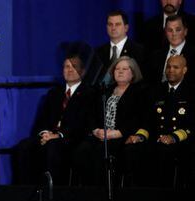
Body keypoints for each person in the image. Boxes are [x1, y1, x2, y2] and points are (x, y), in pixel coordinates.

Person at [13, 54, 94, 185]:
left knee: (54, 146)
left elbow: (83, 123)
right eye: (67, 66)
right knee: (23, 146)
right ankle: (26, 192)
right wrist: (44, 133)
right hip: (49, 137)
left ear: (83, 71)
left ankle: (54, 193)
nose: (70, 70)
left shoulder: (89, 94)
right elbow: (42, 119)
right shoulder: (54, 93)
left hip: (71, 138)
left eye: (74, 66)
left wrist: (58, 135)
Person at [72, 56, 146, 186]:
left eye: (124, 69)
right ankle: (83, 191)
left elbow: (138, 119)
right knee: (82, 150)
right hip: (100, 135)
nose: (120, 71)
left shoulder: (139, 93)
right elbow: (92, 115)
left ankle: (101, 193)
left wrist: (116, 133)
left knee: (102, 151)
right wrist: (96, 130)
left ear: (133, 73)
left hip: (121, 136)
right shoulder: (105, 91)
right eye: (117, 69)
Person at [126, 55, 194, 187]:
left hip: (182, 141)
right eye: (168, 66)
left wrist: (174, 137)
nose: (170, 70)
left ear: (184, 70)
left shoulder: (191, 91)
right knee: (132, 150)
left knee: (164, 152)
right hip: (156, 139)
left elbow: (192, 124)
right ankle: (134, 194)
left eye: (176, 67)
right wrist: (140, 136)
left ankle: (163, 196)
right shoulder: (156, 90)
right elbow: (147, 120)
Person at [96, 10, 144, 84]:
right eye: (110, 24)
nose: (113, 28)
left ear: (126, 28)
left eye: (117, 24)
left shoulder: (139, 51)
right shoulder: (98, 52)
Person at [146, 15, 195, 84]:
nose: (174, 34)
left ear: (185, 31)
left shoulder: (193, 54)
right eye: (170, 30)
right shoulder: (156, 55)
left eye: (178, 30)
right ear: (165, 33)